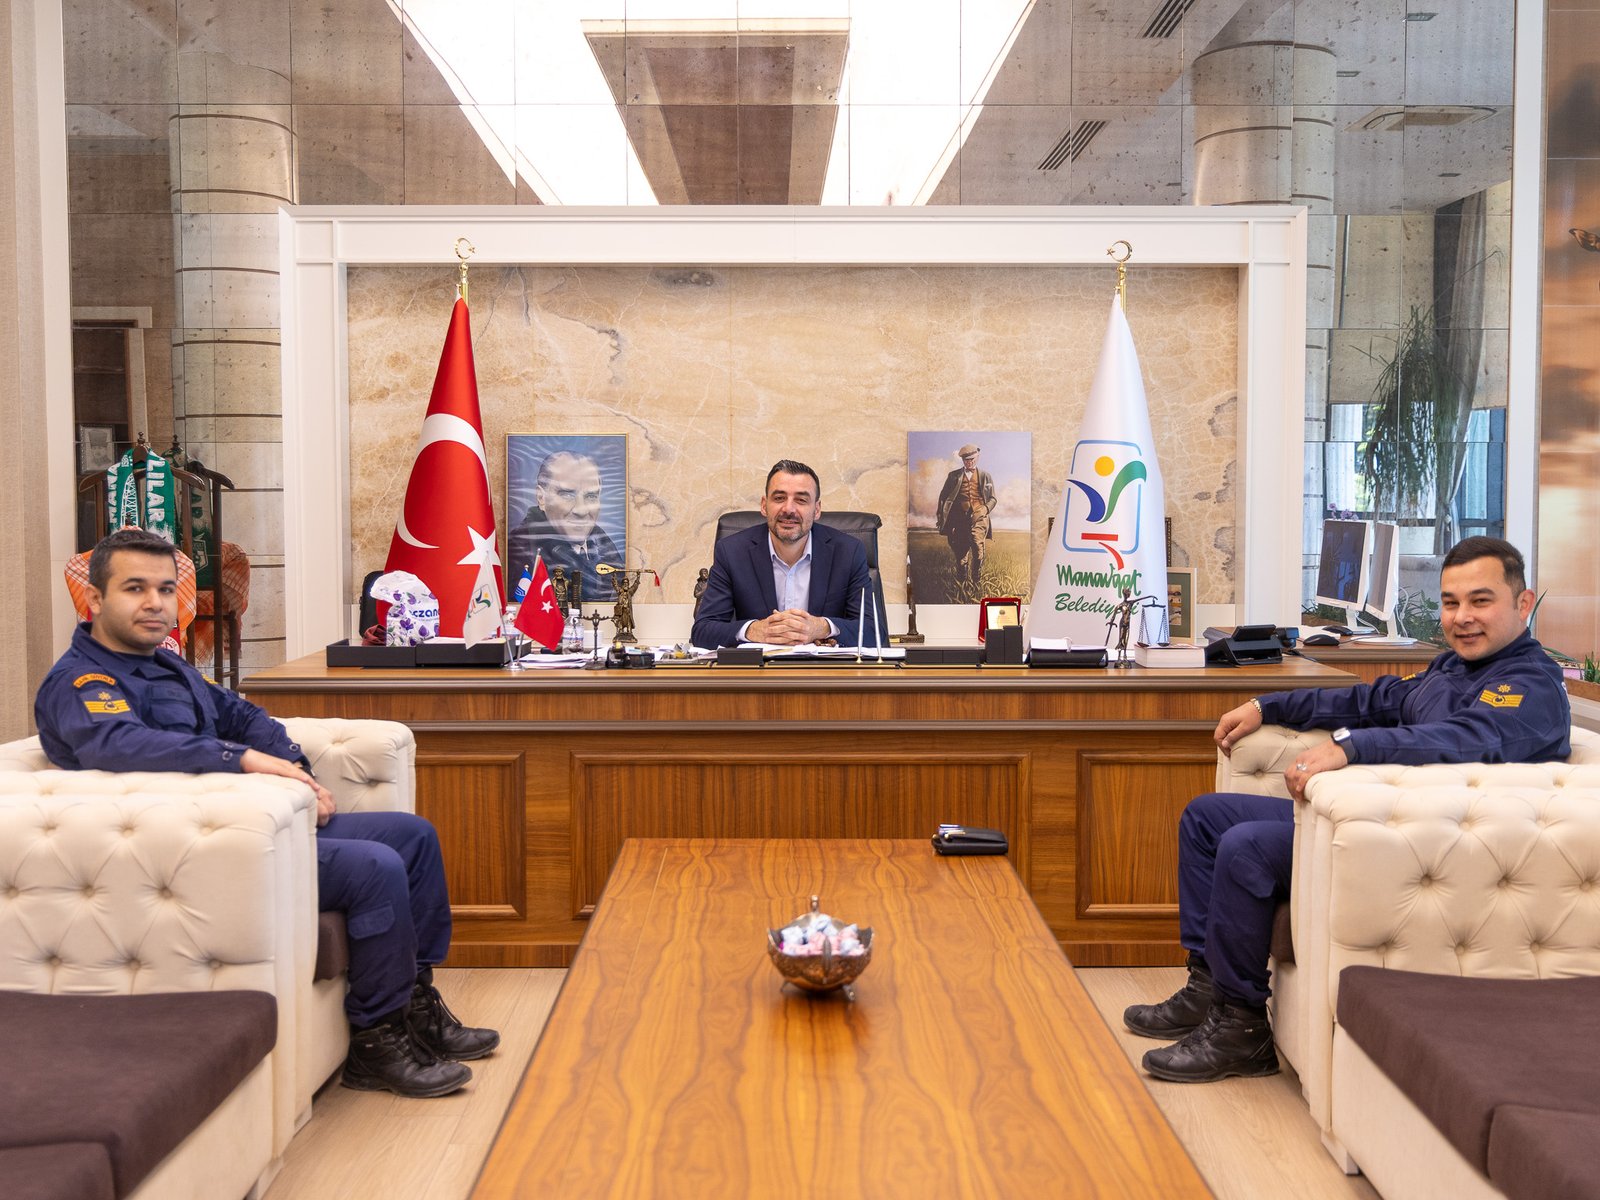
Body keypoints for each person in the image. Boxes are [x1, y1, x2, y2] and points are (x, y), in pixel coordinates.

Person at [35, 529, 500, 1099]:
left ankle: (416, 1004)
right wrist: (243, 760)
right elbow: (121, 744)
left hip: (252, 823)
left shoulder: (167, 666)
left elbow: (245, 716)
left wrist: (296, 769)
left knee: (412, 836)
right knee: (374, 866)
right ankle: (377, 1040)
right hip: (194, 848)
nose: (155, 603)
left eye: (165, 589)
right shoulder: (81, 681)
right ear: (95, 598)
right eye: (135, 588)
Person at [1125, 537, 1570, 1084]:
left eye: (1481, 601)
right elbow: (1370, 700)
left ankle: (1241, 1029)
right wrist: (1267, 705)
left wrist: (1351, 748)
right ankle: (1206, 987)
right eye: (1451, 603)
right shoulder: (1452, 668)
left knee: (1246, 847)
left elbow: (1462, 737)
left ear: (1523, 604)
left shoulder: (1530, 686)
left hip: (1426, 849)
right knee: (1207, 818)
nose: (1462, 617)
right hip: (1377, 820)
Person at [691, 460, 879, 649]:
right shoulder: (732, 552)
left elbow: (873, 632)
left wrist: (822, 627)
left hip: (822, 667)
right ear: (764, 505)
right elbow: (703, 632)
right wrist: (753, 630)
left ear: (817, 510)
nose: (789, 509)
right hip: (758, 667)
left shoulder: (848, 552)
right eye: (779, 498)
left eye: (801, 500)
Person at [507, 451, 621, 602]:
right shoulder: (520, 553)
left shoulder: (604, 545)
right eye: (567, 494)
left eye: (591, 496)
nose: (581, 510)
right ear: (541, 497)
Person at [936, 444, 996, 588]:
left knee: (977, 546)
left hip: (979, 518)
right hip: (959, 519)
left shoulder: (985, 476)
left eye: (972, 459)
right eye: (966, 460)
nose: (969, 462)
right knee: (961, 551)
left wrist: (984, 509)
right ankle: (962, 583)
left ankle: (976, 581)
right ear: (962, 460)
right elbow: (943, 497)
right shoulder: (953, 476)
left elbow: (993, 499)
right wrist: (941, 518)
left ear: (977, 457)